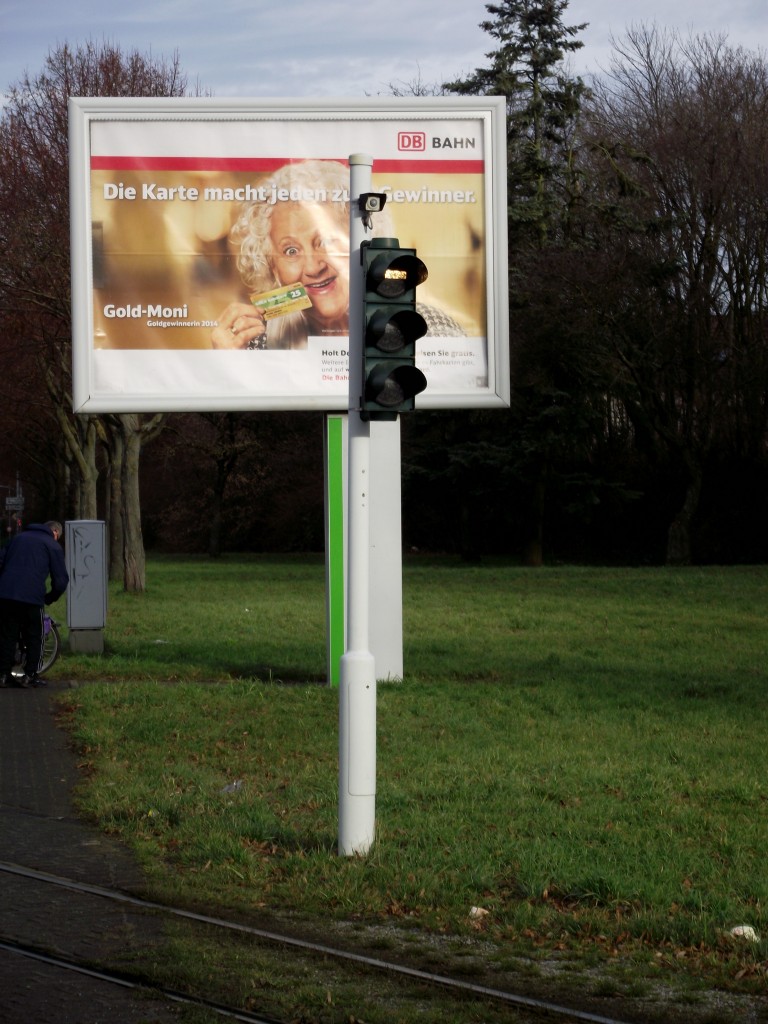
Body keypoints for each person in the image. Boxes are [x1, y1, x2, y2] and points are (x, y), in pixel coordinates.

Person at [211, 159, 466, 351]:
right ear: (272, 268)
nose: (312, 267)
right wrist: (230, 368)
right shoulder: (258, 345)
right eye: (291, 251)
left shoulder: (429, 331)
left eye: (325, 241)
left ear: (364, 243)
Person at [0, 521, 69, 688]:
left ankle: (3, 675)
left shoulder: (17, 538)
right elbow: (60, 581)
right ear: (54, 532)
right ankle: (30, 675)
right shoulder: (52, 545)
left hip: (7, 595)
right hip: (32, 597)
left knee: (8, 635)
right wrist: (50, 598)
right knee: (35, 635)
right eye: (58, 536)